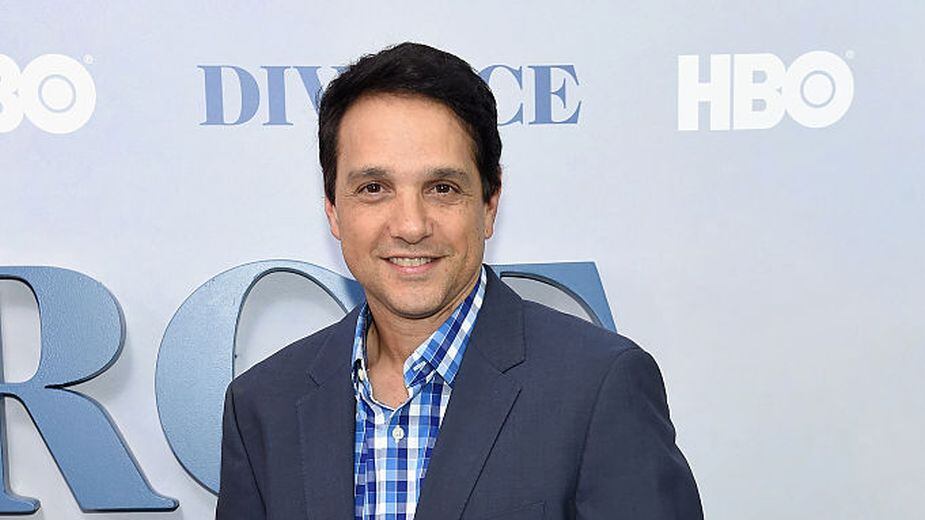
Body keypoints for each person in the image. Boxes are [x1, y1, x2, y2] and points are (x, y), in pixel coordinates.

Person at [215, 42, 703, 520]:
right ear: (333, 209)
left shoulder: (597, 388)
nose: (410, 225)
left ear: (489, 203)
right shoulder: (262, 406)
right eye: (374, 188)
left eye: (442, 188)